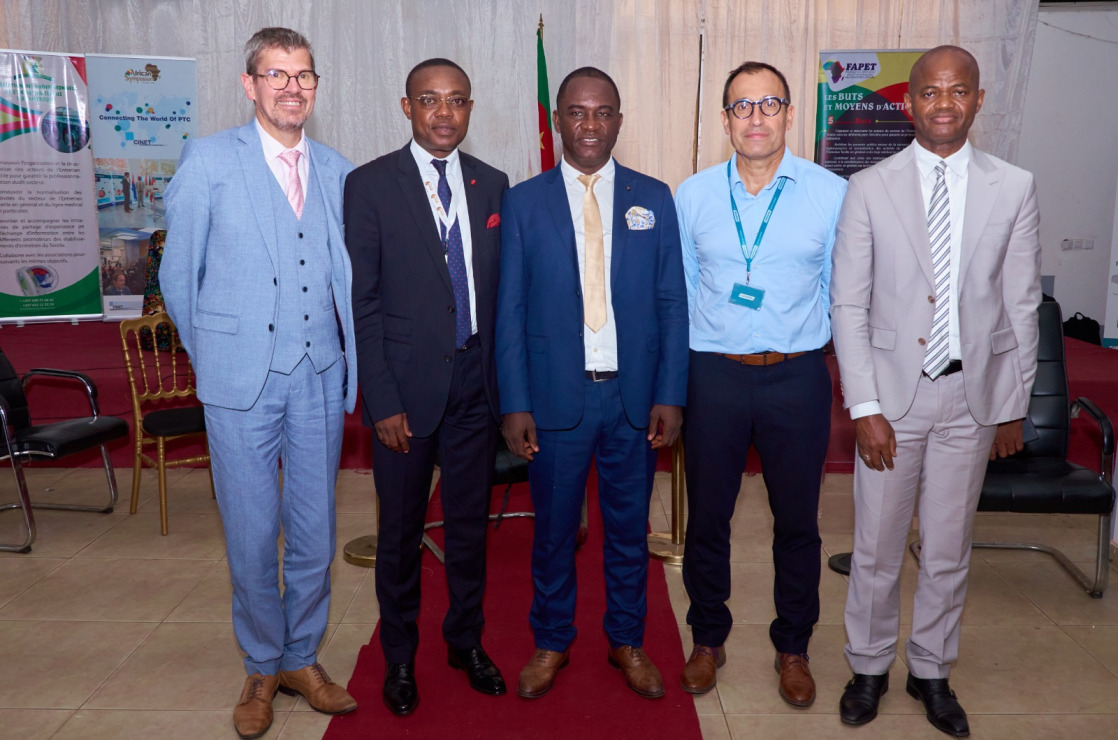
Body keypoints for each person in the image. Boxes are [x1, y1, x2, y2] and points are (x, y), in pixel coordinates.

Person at [830, 45, 1041, 738]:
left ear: (978, 100)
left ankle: (931, 671)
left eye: (958, 90)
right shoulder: (869, 187)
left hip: (971, 402)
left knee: (949, 548)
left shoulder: (1014, 186)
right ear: (909, 102)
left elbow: (1021, 305)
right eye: (929, 91)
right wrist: (865, 408)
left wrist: (1011, 404)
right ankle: (867, 667)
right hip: (892, 401)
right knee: (877, 548)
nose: (943, 102)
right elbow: (848, 306)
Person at [159, 27, 358, 739]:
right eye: (276, 75)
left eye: (303, 75)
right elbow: (178, 277)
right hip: (239, 380)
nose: (291, 88)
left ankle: (302, 657)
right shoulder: (209, 161)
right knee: (250, 532)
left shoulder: (338, 171)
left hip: (319, 373)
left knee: (313, 530)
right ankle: (261, 664)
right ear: (250, 85)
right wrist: (217, 355)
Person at [497, 66, 689, 701]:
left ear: (619, 121)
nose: (590, 124)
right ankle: (552, 640)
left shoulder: (653, 197)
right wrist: (515, 402)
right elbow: (510, 310)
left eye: (603, 112)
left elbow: (671, 302)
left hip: (633, 401)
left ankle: (626, 640)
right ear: (558, 120)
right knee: (553, 532)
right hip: (556, 400)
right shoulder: (524, 201)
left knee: (629, 533)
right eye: (577, 112)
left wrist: (670, 393)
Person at [673, 61, 847, 707]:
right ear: (725, 120)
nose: (756, 117)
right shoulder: (693, 195)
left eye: (769, 104)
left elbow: (838, 290)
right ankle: (707, 638)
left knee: (797, 522)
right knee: (707, 518)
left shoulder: (830, 193)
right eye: (742, 106)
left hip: (796, 376)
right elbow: (683, 291)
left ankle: (793, 646)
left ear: (790, 115)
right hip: (713, 374)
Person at [344, 58, 509, 716]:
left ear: (470, 108)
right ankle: (400, 656)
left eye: (457, 100)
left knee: (469, 530)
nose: (444, 112)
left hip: (475, 386)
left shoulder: (493, 184)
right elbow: (362, 303)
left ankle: (465, 641)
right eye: (430, 100)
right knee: (401, 534)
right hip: (405, 394)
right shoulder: (369, 184)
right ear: (407, 106)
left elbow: (502, 294)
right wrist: (381, 399)